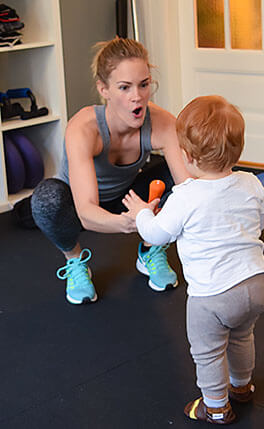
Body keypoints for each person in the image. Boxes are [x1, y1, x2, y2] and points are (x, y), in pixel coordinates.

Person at [122, 95, 264, 425]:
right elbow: (259, 220)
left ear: (186, 156)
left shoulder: (185, 196)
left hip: (212, 295)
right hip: (255, 283)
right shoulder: (252, 183)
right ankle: (242, 387)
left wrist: (143, 213)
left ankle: (216, 406)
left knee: (208, 351)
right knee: (243, 336)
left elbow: (158, 235)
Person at [30, 37, 190, 304]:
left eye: (143, 84)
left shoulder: (162, 123)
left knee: (182, 181)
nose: (137, 96)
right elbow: (87, 213)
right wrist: (131, 223)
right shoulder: (83, 128)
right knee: (46, 199)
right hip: (78, 205)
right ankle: (76, 262)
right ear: (103, 89)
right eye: (124, 87)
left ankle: (150, 251)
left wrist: (158, 228)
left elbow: (189, 189)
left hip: (127, 197)